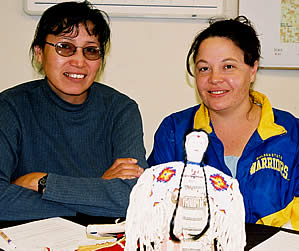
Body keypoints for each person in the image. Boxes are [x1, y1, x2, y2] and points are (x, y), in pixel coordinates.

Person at [0, 0, 147, 221]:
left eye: (90, 50)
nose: (79, 61)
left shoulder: (121, 110)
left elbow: (134, 198)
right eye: (65, 47)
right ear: (39, 52)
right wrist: (95, 193)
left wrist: (41, 182)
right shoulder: (10, 107)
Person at [148, 16, 299, 230]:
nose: (215, 78)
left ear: (253, 69)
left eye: (228, 66)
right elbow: (155, 212)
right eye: (204, 68)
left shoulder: (292, 135)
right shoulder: (174, 131)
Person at [125, 129, 246, 251]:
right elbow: (145, 198)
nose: (196, 146)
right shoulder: (164, 172)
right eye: (193, 142)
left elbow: (232, 211)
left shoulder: (218, 179)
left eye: (200, 143)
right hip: (173, 236)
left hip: (202, 236)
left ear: (206, 147)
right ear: (186, 144)